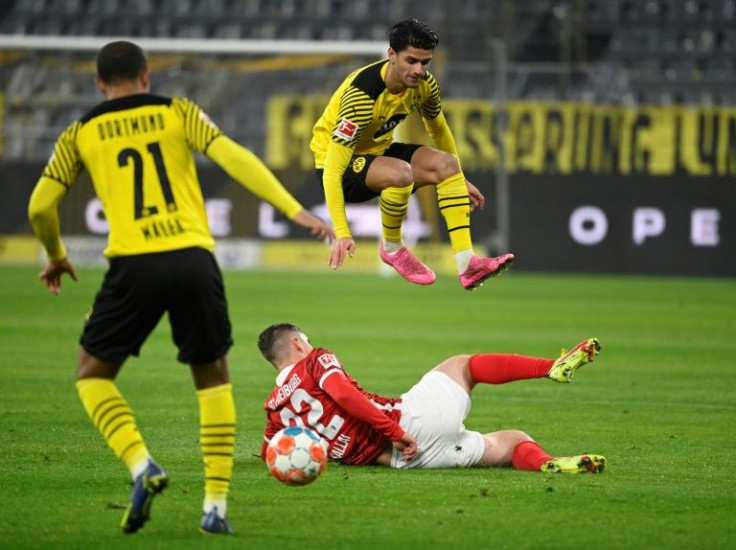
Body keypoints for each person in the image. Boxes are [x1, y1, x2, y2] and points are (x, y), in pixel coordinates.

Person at [27, 41, 334, 536]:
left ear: (99, 83)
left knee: (91, 374)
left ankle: (141, 464)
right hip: (193, 257)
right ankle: (214, 506)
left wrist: (56, 254)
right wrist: (293, 210)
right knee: (213, 379)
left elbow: (40, 206)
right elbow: (235, 156)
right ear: (147, 75)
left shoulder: (79, 132)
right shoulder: (177, 111)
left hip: (133, 264)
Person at [310, 19, 514, 290]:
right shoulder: (361, 97)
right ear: (391, 55)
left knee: (447, 163)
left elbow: (440, 130)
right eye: (411, 61)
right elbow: (332, 171)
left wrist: (457, 179)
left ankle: (467, 263)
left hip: (378, 151)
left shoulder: (425, 86)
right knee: (400, 172)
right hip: (337, 166)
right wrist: (342, 232)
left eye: (425, 62)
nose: (419, 70)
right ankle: (393, 248)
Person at [258, 323, 606, 473]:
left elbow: (268, 454)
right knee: (463, 366)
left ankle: (546, 463)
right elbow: (344, 395)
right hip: (408, 424)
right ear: (297, 343)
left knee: (515, 441)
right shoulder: (315, 360)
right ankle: (551, 366)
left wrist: (312, 456)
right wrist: (393, 429)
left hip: (405, 461)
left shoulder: (274, 409)